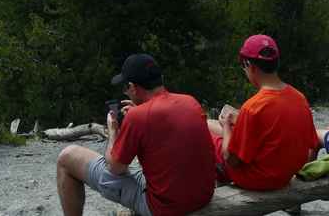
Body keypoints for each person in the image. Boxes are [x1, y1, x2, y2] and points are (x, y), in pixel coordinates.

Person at [56, 53, 215, 216]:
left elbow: (115, 168)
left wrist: (113, 132)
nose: (126, 92)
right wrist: (141, 110)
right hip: (202, 197)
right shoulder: (190, 102)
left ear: (132, 87)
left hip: (164, 208)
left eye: (125, 88)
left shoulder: (138, 116)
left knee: (66, 157)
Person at [207, 34, 318, 190]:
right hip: (286, 175)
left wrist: (226, 125)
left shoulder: (253, 107)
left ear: (250, 66)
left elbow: (231, 159)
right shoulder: (299, 97)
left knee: (207, 133)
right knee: (212, 125)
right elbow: (308, 142)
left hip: (258, 179)